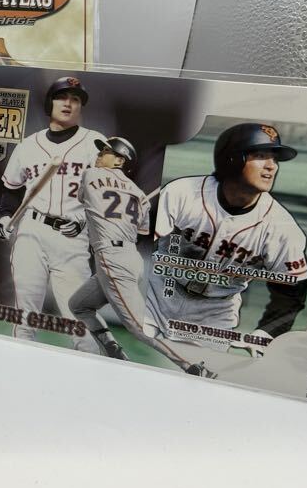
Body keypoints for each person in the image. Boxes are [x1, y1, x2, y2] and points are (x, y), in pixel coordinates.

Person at [144, 123, 307, 352]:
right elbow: (136, 243)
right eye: (260, 156)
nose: (271, 166)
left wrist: (264, 334)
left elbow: (292, 293)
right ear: (232, 159)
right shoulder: (183, 193)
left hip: (215, 314)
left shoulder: (281, 227)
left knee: (199, 371)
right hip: (158, 291)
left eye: (274, 159)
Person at [67, 137, 215, 376]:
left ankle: (191, 365)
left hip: (112, 258)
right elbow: (140, 231)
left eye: (105, 152)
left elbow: (84, 202)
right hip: (129, 257)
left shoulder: (91, 174)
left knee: (137, 325)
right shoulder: (137, 193)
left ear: (119, 160)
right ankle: (113, 350)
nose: (99, 155)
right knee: (79, 305)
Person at [0, 76, 106, 354]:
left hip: (73, 237)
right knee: (24, 317)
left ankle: (89, 371)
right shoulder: (28, 145)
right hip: (31, 233)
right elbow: (12, 191)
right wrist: (5, 218)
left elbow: (108, 197)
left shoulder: (95, 143)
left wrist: (84, 222)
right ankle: (20, 367)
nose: (68, 103)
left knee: (79, 318)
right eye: (62, 97)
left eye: (75, 99)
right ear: (49, 103)